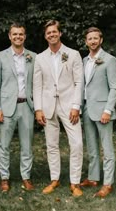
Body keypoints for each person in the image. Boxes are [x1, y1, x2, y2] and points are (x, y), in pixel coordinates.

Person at [33, 19, 84, 197]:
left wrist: (76, 106)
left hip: (69, 106)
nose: (52, 35)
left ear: (60, 33)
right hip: (48, 107)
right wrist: (38, 109)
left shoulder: (73, 54)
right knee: (51, 145)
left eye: (55, 32)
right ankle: (54, 179)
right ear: (45, 36)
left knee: (76, 144)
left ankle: (75, 182)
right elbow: (37, 85)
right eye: (48, 33)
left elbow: (79, 83)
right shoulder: (40, 58)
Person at [0, 23, 36, 192]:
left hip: (27, 106)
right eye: (15, 34)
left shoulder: (33, 56)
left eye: (21, 34)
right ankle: (4, 177)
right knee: (4, 144)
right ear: (10, 36)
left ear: (25, 36)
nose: (18, 37)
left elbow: (37, 82)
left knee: (27, 144)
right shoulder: (0, 56)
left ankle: (26, 177)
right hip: (6, 107)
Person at [80, 27, 116, 198]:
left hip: (103, 110)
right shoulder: (84, 60)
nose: (93, 41)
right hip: (87, 108)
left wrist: (107, 110)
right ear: (86, 41)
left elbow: (114, 87)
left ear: (101, 40)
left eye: (96, 38)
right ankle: (93, 177)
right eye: (90, 38)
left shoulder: (109, 60)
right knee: (92, 146)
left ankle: (108, 183)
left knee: (107, 148)